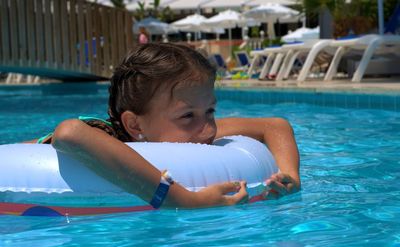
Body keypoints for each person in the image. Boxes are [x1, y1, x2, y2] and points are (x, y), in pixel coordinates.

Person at [32, 43, 300, 209]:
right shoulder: (105, 134)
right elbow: (68, 133)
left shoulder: (196, 131)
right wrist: (182, 200)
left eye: (210, 111)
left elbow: (274, 126)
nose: (207, 129)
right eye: (187, 116)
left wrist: (290, 177)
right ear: (135, 125)